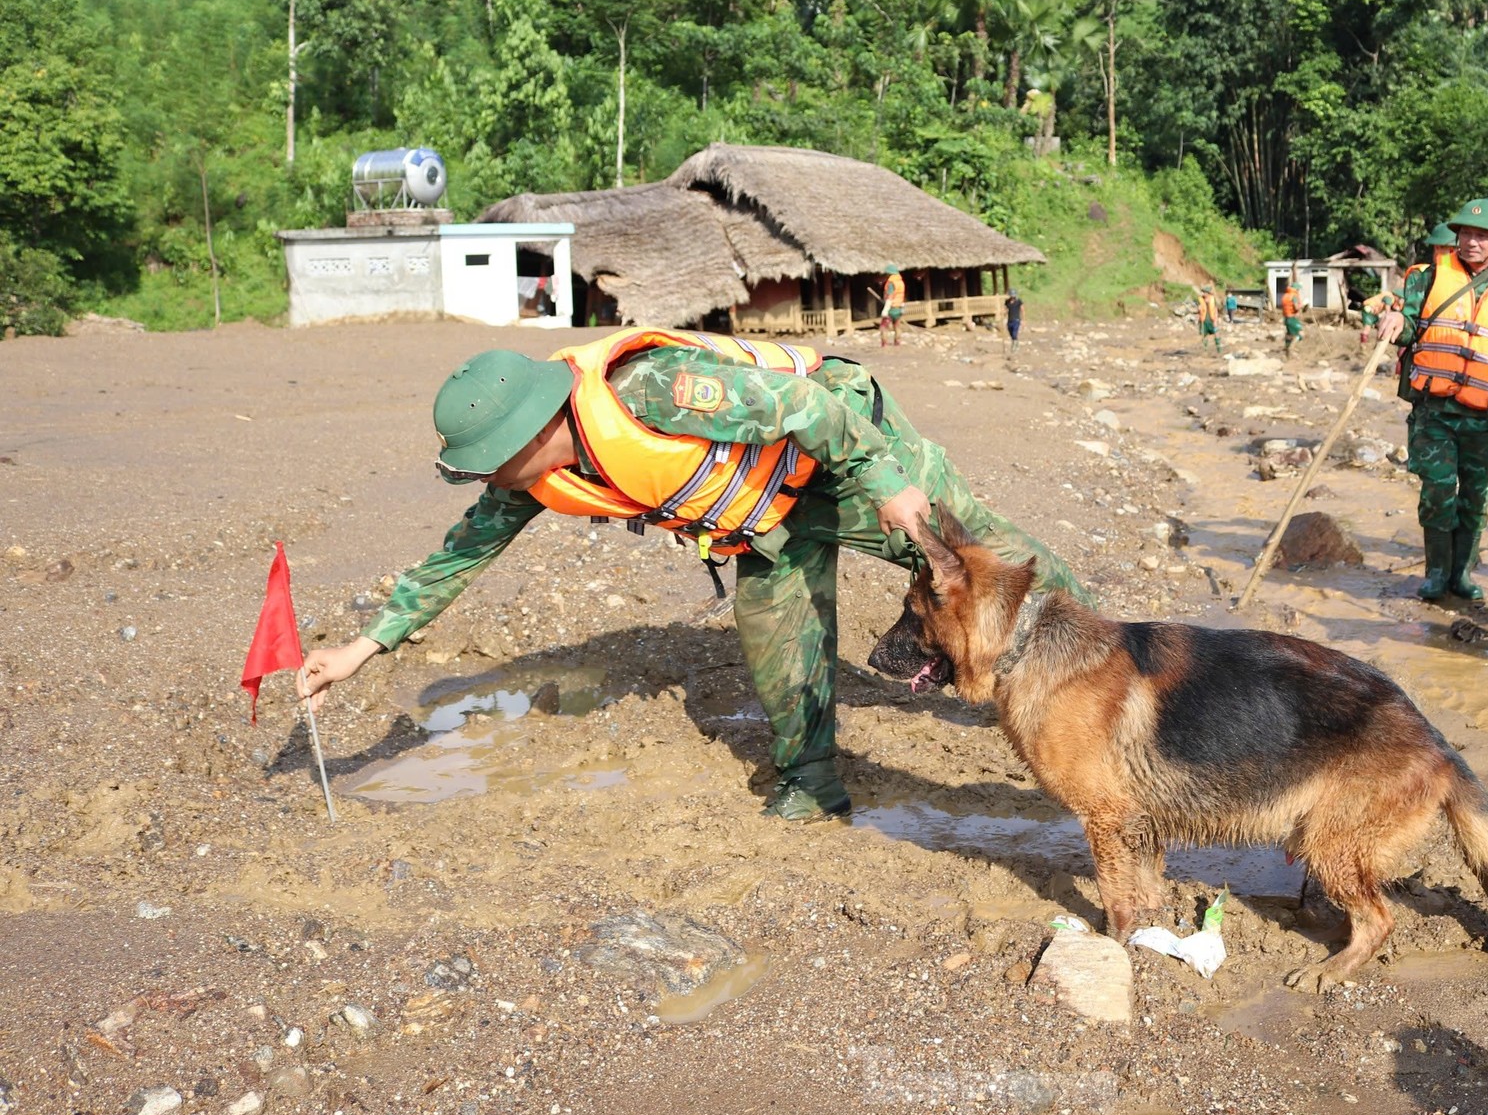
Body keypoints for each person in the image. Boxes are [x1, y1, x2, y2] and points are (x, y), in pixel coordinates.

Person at [296, 328, 1091, 822]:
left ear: (532, 431)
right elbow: (458, 555)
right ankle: (813, 785)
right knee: (777, 645)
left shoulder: (651, 389)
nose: (485, 482)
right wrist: (362, 649)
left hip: (851, 458)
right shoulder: (529, 479)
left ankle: (1114, 659)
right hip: (768, 516)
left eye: (488, 464)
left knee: (1002, 570)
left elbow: (810, 407)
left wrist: (889, 482)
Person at [1379, 199, 1488, 603]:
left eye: (1482, 235)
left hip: (1487, 415)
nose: (1472, 241)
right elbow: (1411, 324)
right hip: (1434, 411)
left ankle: (1463, 573)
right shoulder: (1429, 276)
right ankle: (1436, 572)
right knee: (1437, 491)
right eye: (1466, 234)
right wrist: (1398, 321)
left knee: (1476, 496)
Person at [879, 264, 906, 348]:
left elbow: (890, 297)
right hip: (899, 308)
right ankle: (897, 342)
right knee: (897, 326)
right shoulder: (900, 282)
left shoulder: (891, 283)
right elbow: (901, 295)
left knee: (884, 327)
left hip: (891, 308)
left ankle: (884, 344)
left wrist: (885, 310)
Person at [1280, 280, 1303, 357]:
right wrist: (1302, 306)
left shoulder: (1285, 295)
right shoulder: (1294, 296)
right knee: (1299, 335)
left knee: (1289, 335)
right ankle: (1291, 349)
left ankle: (1287, 353)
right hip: (1292, 318)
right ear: (1296, 289)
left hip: (1286, 318)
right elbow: (1296, 307)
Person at [1196, 286, 1222, 354]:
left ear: (1208, 293)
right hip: (1204, 320)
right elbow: (1198, 310)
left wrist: (1216, 320)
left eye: (1204, 292)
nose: (1203, 293)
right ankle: (1205, 350)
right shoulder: (1200, 299)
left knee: (1216, 333)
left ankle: (1219, 348)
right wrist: (1198, 309)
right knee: (1204, 335)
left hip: (1212, 319)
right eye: (1203, 292)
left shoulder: (1213, 299)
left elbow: (1216, 310)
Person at [1003, 287, 1023, 353]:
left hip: (1016, 319)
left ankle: (1014, 347)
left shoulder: (1018, 301)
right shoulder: (1007, 302)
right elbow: (1006, 310)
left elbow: (1022, 310)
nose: (1013, 297)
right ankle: (1016, 342)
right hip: (1010, 320)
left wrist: (1023, 319)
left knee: (1014, 333)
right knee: (1011, 333)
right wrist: (1004, 316)